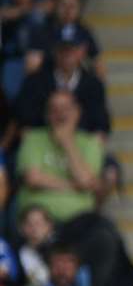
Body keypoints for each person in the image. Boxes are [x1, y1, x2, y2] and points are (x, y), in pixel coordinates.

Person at [15, 90, 104, 224]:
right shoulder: (33, 138)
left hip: (79, 219)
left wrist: (68, 143)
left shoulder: (90, 143)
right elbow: (33, 179)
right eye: (54, 109)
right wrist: (73, 186)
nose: (60, 114)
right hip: (38, 219)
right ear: (48, 115)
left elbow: (85, 181)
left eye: (65, 108)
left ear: (77, 112)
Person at [15, 26, 109, 136]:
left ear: (82, 51)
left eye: (72, 48)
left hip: (82, 146)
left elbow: (101, 126)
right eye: (63, 49)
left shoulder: (94, 85)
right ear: (54, 51)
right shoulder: (35, 82)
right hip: (43, 146)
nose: (67, 54)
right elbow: (24, 122)